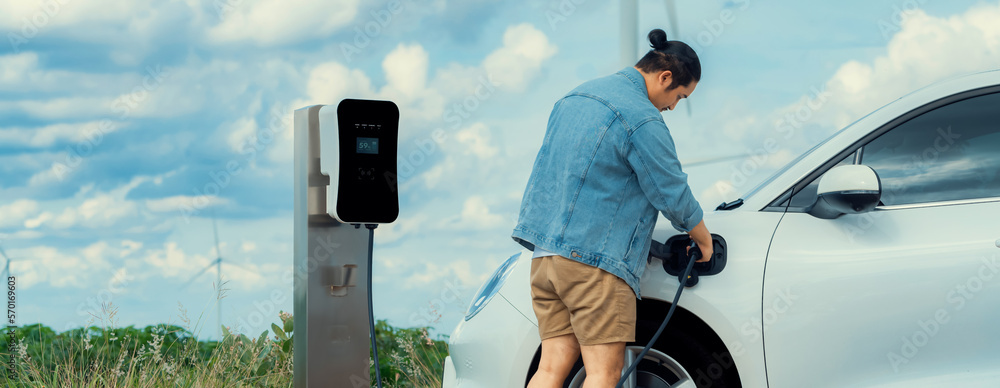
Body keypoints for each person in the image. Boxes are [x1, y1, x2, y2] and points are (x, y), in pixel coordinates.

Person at [512, 29, 714, 387]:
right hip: (594, 266)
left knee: (550, 367)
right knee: (604, 373)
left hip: (544, 258)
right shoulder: (641, 117)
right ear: (664, 77)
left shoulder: (574, 97)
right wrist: (704, 239)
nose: (673, 107)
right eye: (679, 96)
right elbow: (671, 190)